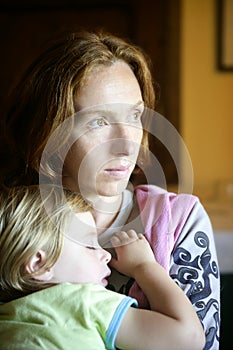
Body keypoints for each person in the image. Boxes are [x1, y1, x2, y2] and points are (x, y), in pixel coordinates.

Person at [1, 30, 220, 349]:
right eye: (98, 121)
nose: (127, 143)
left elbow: (199, 341)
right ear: (45, 130)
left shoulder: (178, 220)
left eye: (134, 115)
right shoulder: (11, 224)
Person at [0, 185, 205, 349]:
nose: (106, 255)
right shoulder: (84, 301)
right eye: (89, 245)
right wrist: (144, 266)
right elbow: (189, 337)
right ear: (39, 264)